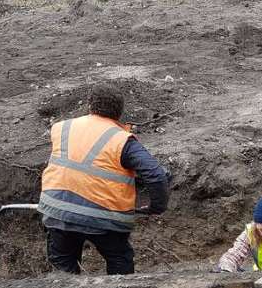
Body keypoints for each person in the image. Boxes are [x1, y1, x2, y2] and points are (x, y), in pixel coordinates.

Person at [38, 83, 169, 274]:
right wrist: (157, 207)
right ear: (119, 113)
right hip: (103, 217)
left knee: (63, 270)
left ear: (90, 106)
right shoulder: (121, 140)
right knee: (119, 262)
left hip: (58, 211)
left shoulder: (61, 128)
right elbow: (156, 175)